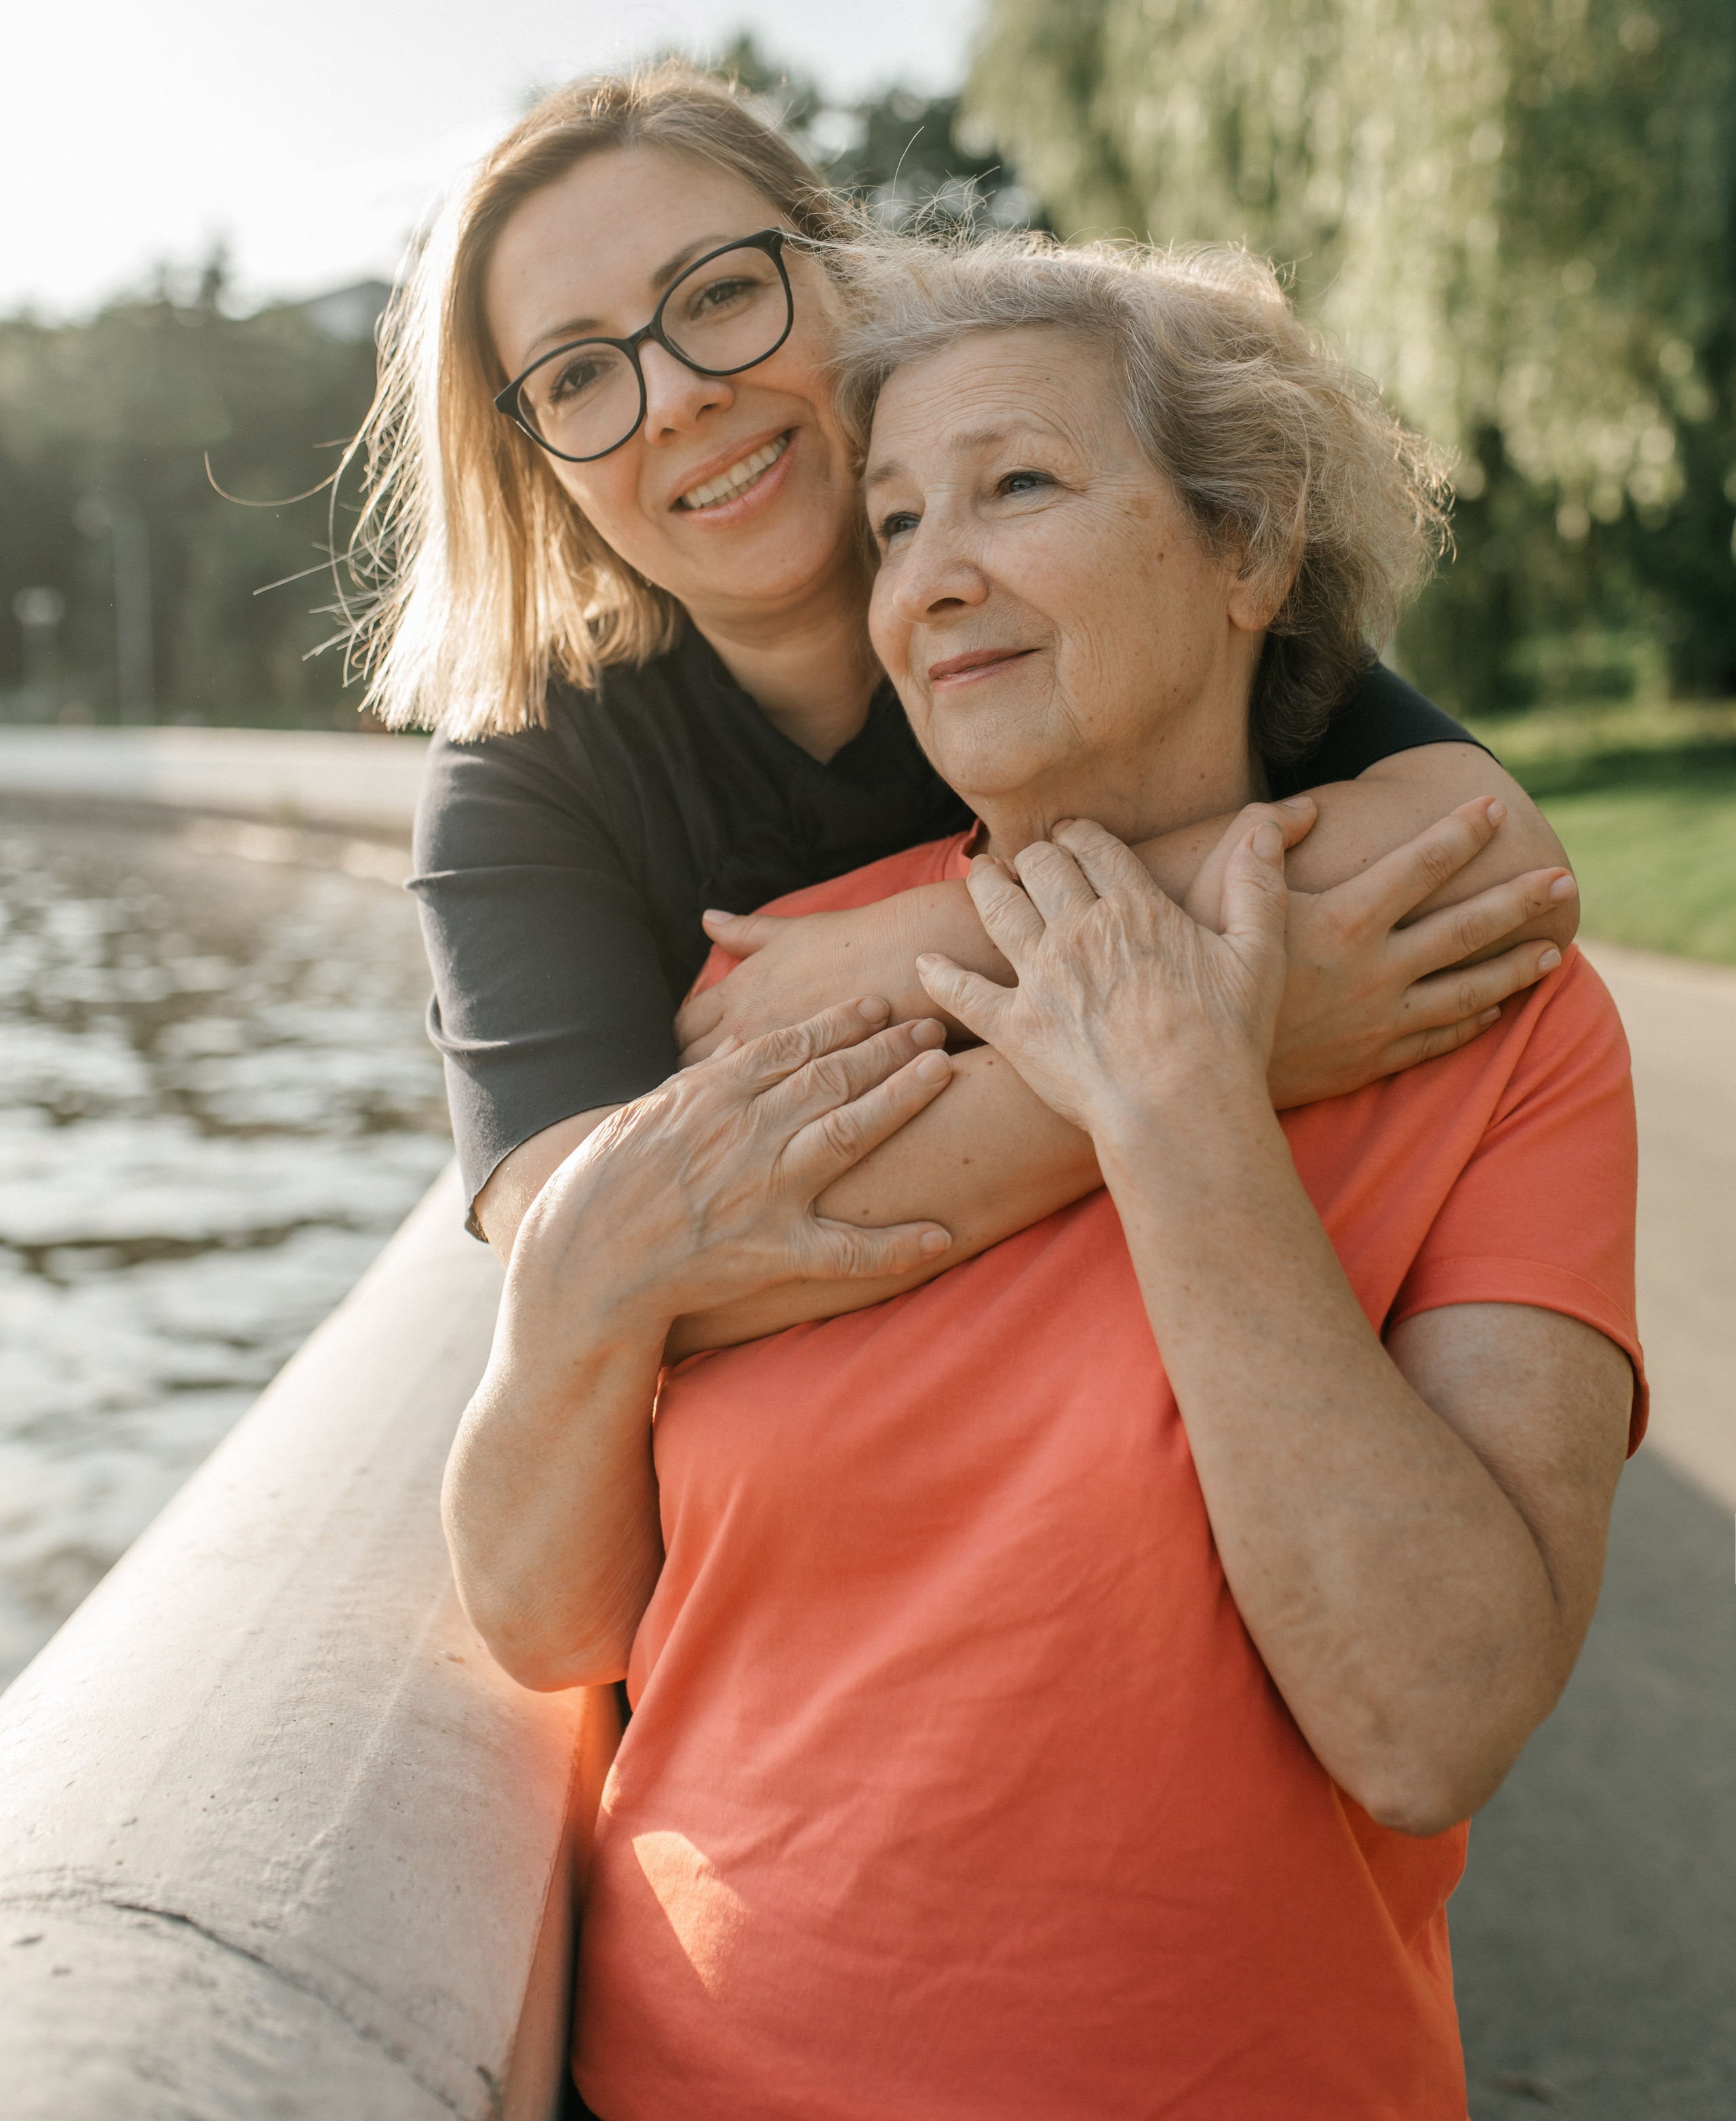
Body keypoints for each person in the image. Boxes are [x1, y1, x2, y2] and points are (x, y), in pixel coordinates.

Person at [441, 233, 1641, 2120]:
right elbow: (546, 1612)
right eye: (898, 524)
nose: (933, 577)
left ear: (1247, 550)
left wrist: (1177, 1101)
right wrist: (581, 1301)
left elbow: (1431, 1719)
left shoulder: (1486, 1010)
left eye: (1017, 487)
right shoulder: (775, 995)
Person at [370, 64, 1578, 1348]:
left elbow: (1488, 846)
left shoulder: (1068, 599)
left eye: (720, 294)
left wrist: (932, 940)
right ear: (531, 466)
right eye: (575, 380)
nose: (676, 398)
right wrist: (1216, 1053)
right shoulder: (529, 771)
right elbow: (583, 1269)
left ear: (839, 277)